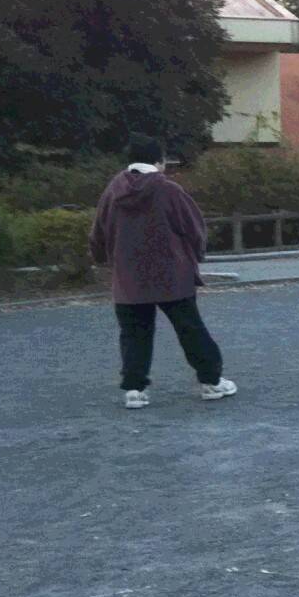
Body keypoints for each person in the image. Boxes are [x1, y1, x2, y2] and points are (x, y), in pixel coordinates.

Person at [89, 136, 238, 408]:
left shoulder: (113, 190)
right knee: (190, 329)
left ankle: (134, 390)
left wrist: (102, 258)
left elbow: (99, 230)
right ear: (159, 161)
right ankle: (211, 382)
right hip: (172, 273)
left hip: (129, 276)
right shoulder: (168, 190)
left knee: (134, 334)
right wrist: (196, 255)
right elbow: (193, 227)